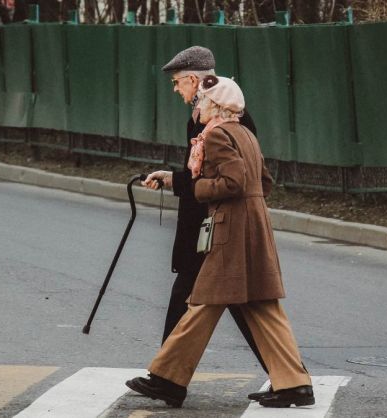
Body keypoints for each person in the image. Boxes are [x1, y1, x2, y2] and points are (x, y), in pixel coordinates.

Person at [127, 75, 315, 409]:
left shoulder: (216, 136)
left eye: (200, 100)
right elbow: (263, 181)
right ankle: (295, 384)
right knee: (262, 305)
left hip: (230, 230)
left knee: (202, 303)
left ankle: (168, 379)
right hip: (253, 225)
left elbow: (234, 181)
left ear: (214, 105)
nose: (196, 106)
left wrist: (200, 191)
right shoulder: (244, 134)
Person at [141, 46, 272, 401]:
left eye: (178, 82)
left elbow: (230, 179)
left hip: (216, 228)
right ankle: (167, 379)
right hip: (209, 226)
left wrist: (176, 180)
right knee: (221, 303)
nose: (176, 90)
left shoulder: (222, 123)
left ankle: (167, 379)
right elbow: (200, 174)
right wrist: (172, 177)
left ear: (195, 80)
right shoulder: (206, 119)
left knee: (216, 302)